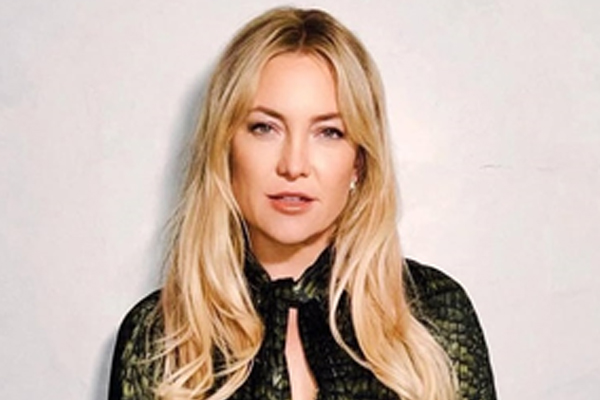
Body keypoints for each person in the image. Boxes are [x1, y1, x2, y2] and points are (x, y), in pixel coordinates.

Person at [108, 7, 496, 400]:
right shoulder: (158, 337)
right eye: (265, 128)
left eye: (329, 132)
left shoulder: (433, 314)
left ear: (359, 160)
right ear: (225, 149)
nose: (293, 165)